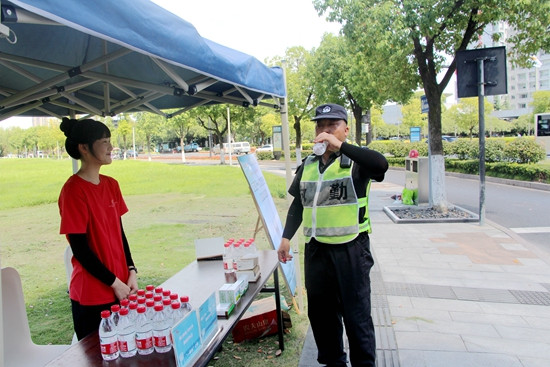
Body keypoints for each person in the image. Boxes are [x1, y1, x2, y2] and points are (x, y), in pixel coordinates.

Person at [277, 103, 388, 367]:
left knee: (356, 315)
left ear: (345, 130)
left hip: (351, 250)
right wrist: (285, 237)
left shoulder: (356, 163)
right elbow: (298, 204)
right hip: (317, 251)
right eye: (320, 125)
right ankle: (334, 362)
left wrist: (340, 147)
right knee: (322, 316)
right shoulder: (309, 164)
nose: (324, 131)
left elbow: (380, 164)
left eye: (332, 126)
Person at [58, 117, 138, 340]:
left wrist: (131, 269)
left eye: (109, 141)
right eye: (104, 141)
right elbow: (80, 249)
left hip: (121, 284)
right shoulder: (73, 190)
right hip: (93, 293)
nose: (111, 147)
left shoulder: (111, 184)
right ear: (84, 148)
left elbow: (119, 233)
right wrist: (115, 283)